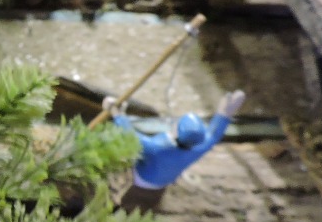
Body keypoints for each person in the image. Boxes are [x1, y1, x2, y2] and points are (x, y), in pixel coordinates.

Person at [105, 89, 246, 211]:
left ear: (176, 131)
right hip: (159, 189)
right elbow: (213, 136)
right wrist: (223, 116)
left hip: (138, 185)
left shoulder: (157, 147)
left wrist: (117, 115)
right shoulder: (196, 149)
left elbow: (131, 135)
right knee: (146, 209)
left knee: (127, 208)